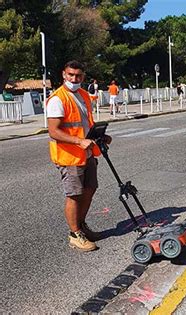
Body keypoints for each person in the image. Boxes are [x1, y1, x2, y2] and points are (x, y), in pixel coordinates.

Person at [46, 60, 112, 251]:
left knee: (90, 188)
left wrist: (100, 136)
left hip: (87, 153)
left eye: (78, 76)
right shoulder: (58, 99)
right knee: (74, 195)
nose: (74, 79)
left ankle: (81, 226)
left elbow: (84, 124)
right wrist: (78, 141)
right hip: (70, 156)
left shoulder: (84, 95)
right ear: (63, 75)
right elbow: (54, 131)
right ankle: (75, 234)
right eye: (70, 75)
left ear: (83, 76)